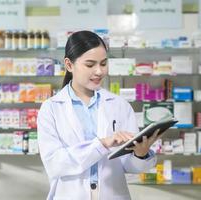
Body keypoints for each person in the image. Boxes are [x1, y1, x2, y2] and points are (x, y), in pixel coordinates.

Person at [38, 30, 159, 200]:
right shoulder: (50, 109)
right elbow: (55, 164)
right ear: (69, 65)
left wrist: (141, 154)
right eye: (90, 65)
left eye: (103, 63)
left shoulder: (119, 105)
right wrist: (102, 144)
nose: (99, 71)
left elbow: (128, 166)